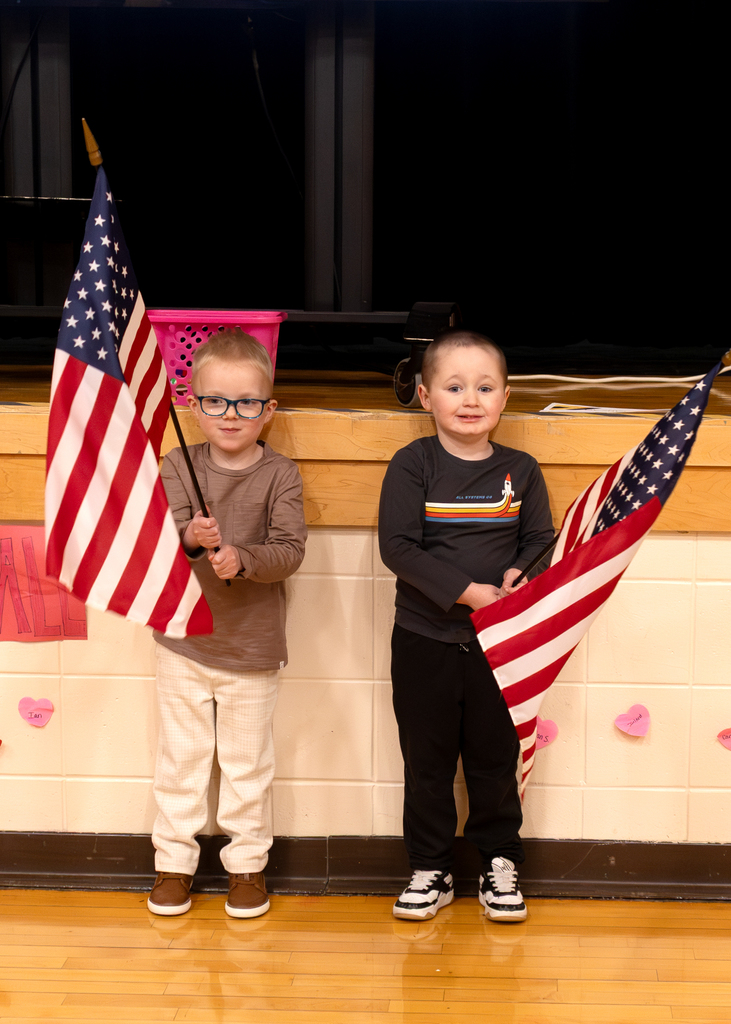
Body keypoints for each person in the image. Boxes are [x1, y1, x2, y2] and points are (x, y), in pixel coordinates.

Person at [378, 329, 554, 923]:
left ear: (505, 398)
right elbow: (398, 548)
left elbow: (539, 540)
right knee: (426, 762)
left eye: (484, 387)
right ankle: (430, 866)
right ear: (426, 396)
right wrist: (468, 593)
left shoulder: (521, 470)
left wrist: (516, 574)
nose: (470, 398)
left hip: (500, 647)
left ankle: (499, 862)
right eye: (454, 387)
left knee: (493, 760)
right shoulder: (413, 465)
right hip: (424, 641)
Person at [147, 329, 306, 919]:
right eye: (215, 401)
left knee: (246, 765)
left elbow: (290, 550)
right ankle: (173, 864)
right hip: (182, 642)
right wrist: (189, 536)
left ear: (268, 410)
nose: (230, 414)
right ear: (195, 406)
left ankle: (247, 868)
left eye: (245, 403)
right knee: (182, 760)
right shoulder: (176, 465)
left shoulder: (280, 475)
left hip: (253, 647)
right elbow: (157, 545)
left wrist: (242, 558)